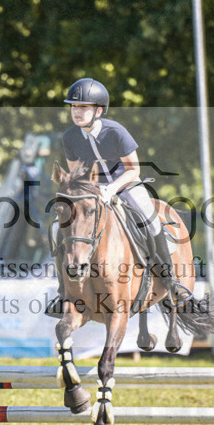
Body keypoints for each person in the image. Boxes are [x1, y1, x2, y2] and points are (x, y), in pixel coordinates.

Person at [46, 77, 189, 317]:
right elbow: (76, 175)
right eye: (73, 107)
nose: (77, 112)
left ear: (98, 110)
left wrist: (111, 189)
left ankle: (171, 282)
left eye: (83, 107)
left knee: (150, 219)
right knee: (54, 230)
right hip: (93, 190)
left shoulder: (116, 131)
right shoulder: (69, 137)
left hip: (125, 185)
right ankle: (63, 293)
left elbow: (134, 170)